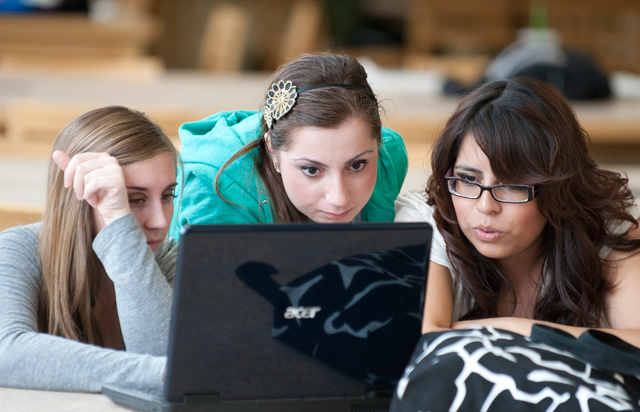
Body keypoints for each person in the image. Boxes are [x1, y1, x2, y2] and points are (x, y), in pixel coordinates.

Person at [395, 77, 640, 347]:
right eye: (468, 179)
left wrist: (514, 327)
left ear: (557, 187)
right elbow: (427, 339)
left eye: (511, 186)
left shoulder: (607, 228)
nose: (486, 206)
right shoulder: (427, 220)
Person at [0, 106, 178, 392]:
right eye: (134, 199)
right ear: (80, 197)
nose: (160, 221)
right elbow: (7, 354)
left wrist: (121, 229)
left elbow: (164, 353)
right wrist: (117, 218)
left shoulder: (171, 258)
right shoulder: (17, 250)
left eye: (168, 195)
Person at [172, 52, 407, 232]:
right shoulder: (214, 190)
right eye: (312, 169)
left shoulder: (388, 161)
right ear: (273, 149)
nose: (339, 198)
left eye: (357, 166)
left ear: (378, 145)